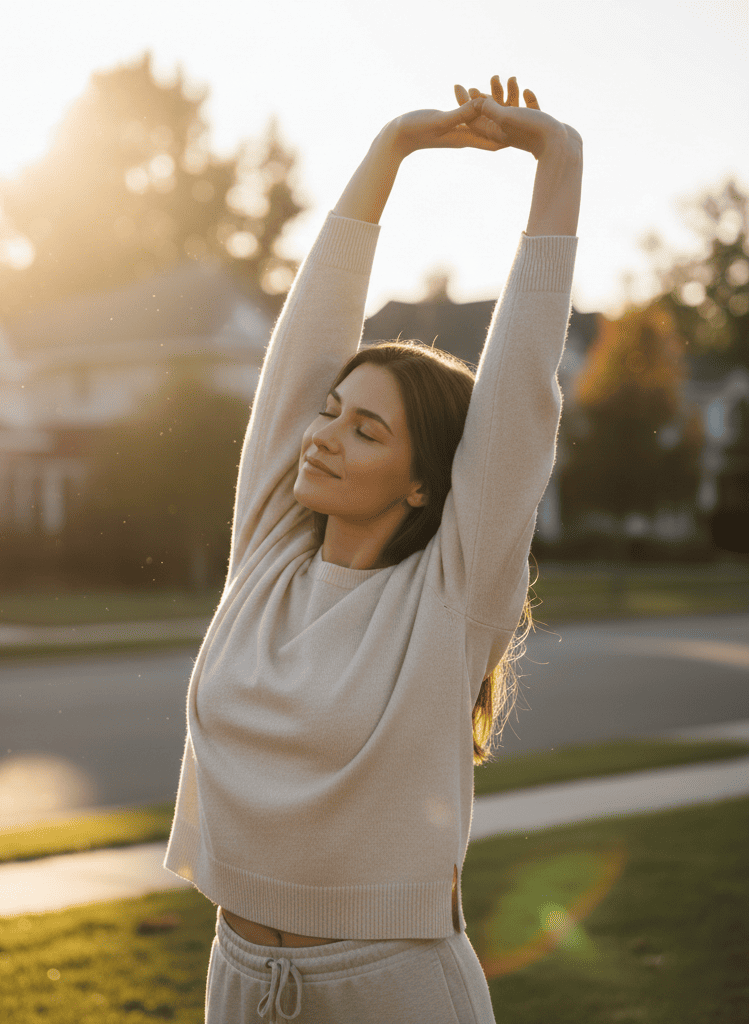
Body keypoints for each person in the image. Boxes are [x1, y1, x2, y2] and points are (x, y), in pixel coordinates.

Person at [163, 75, 583, 1022]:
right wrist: (391, 149)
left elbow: (519, 391)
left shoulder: (452, 595)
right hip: (239, 978)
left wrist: (559, 162)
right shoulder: (268, 554)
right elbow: (305, 340)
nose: (322, 436)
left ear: (425, 482)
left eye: (366, 431)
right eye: (329, 412)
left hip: (390, 987)